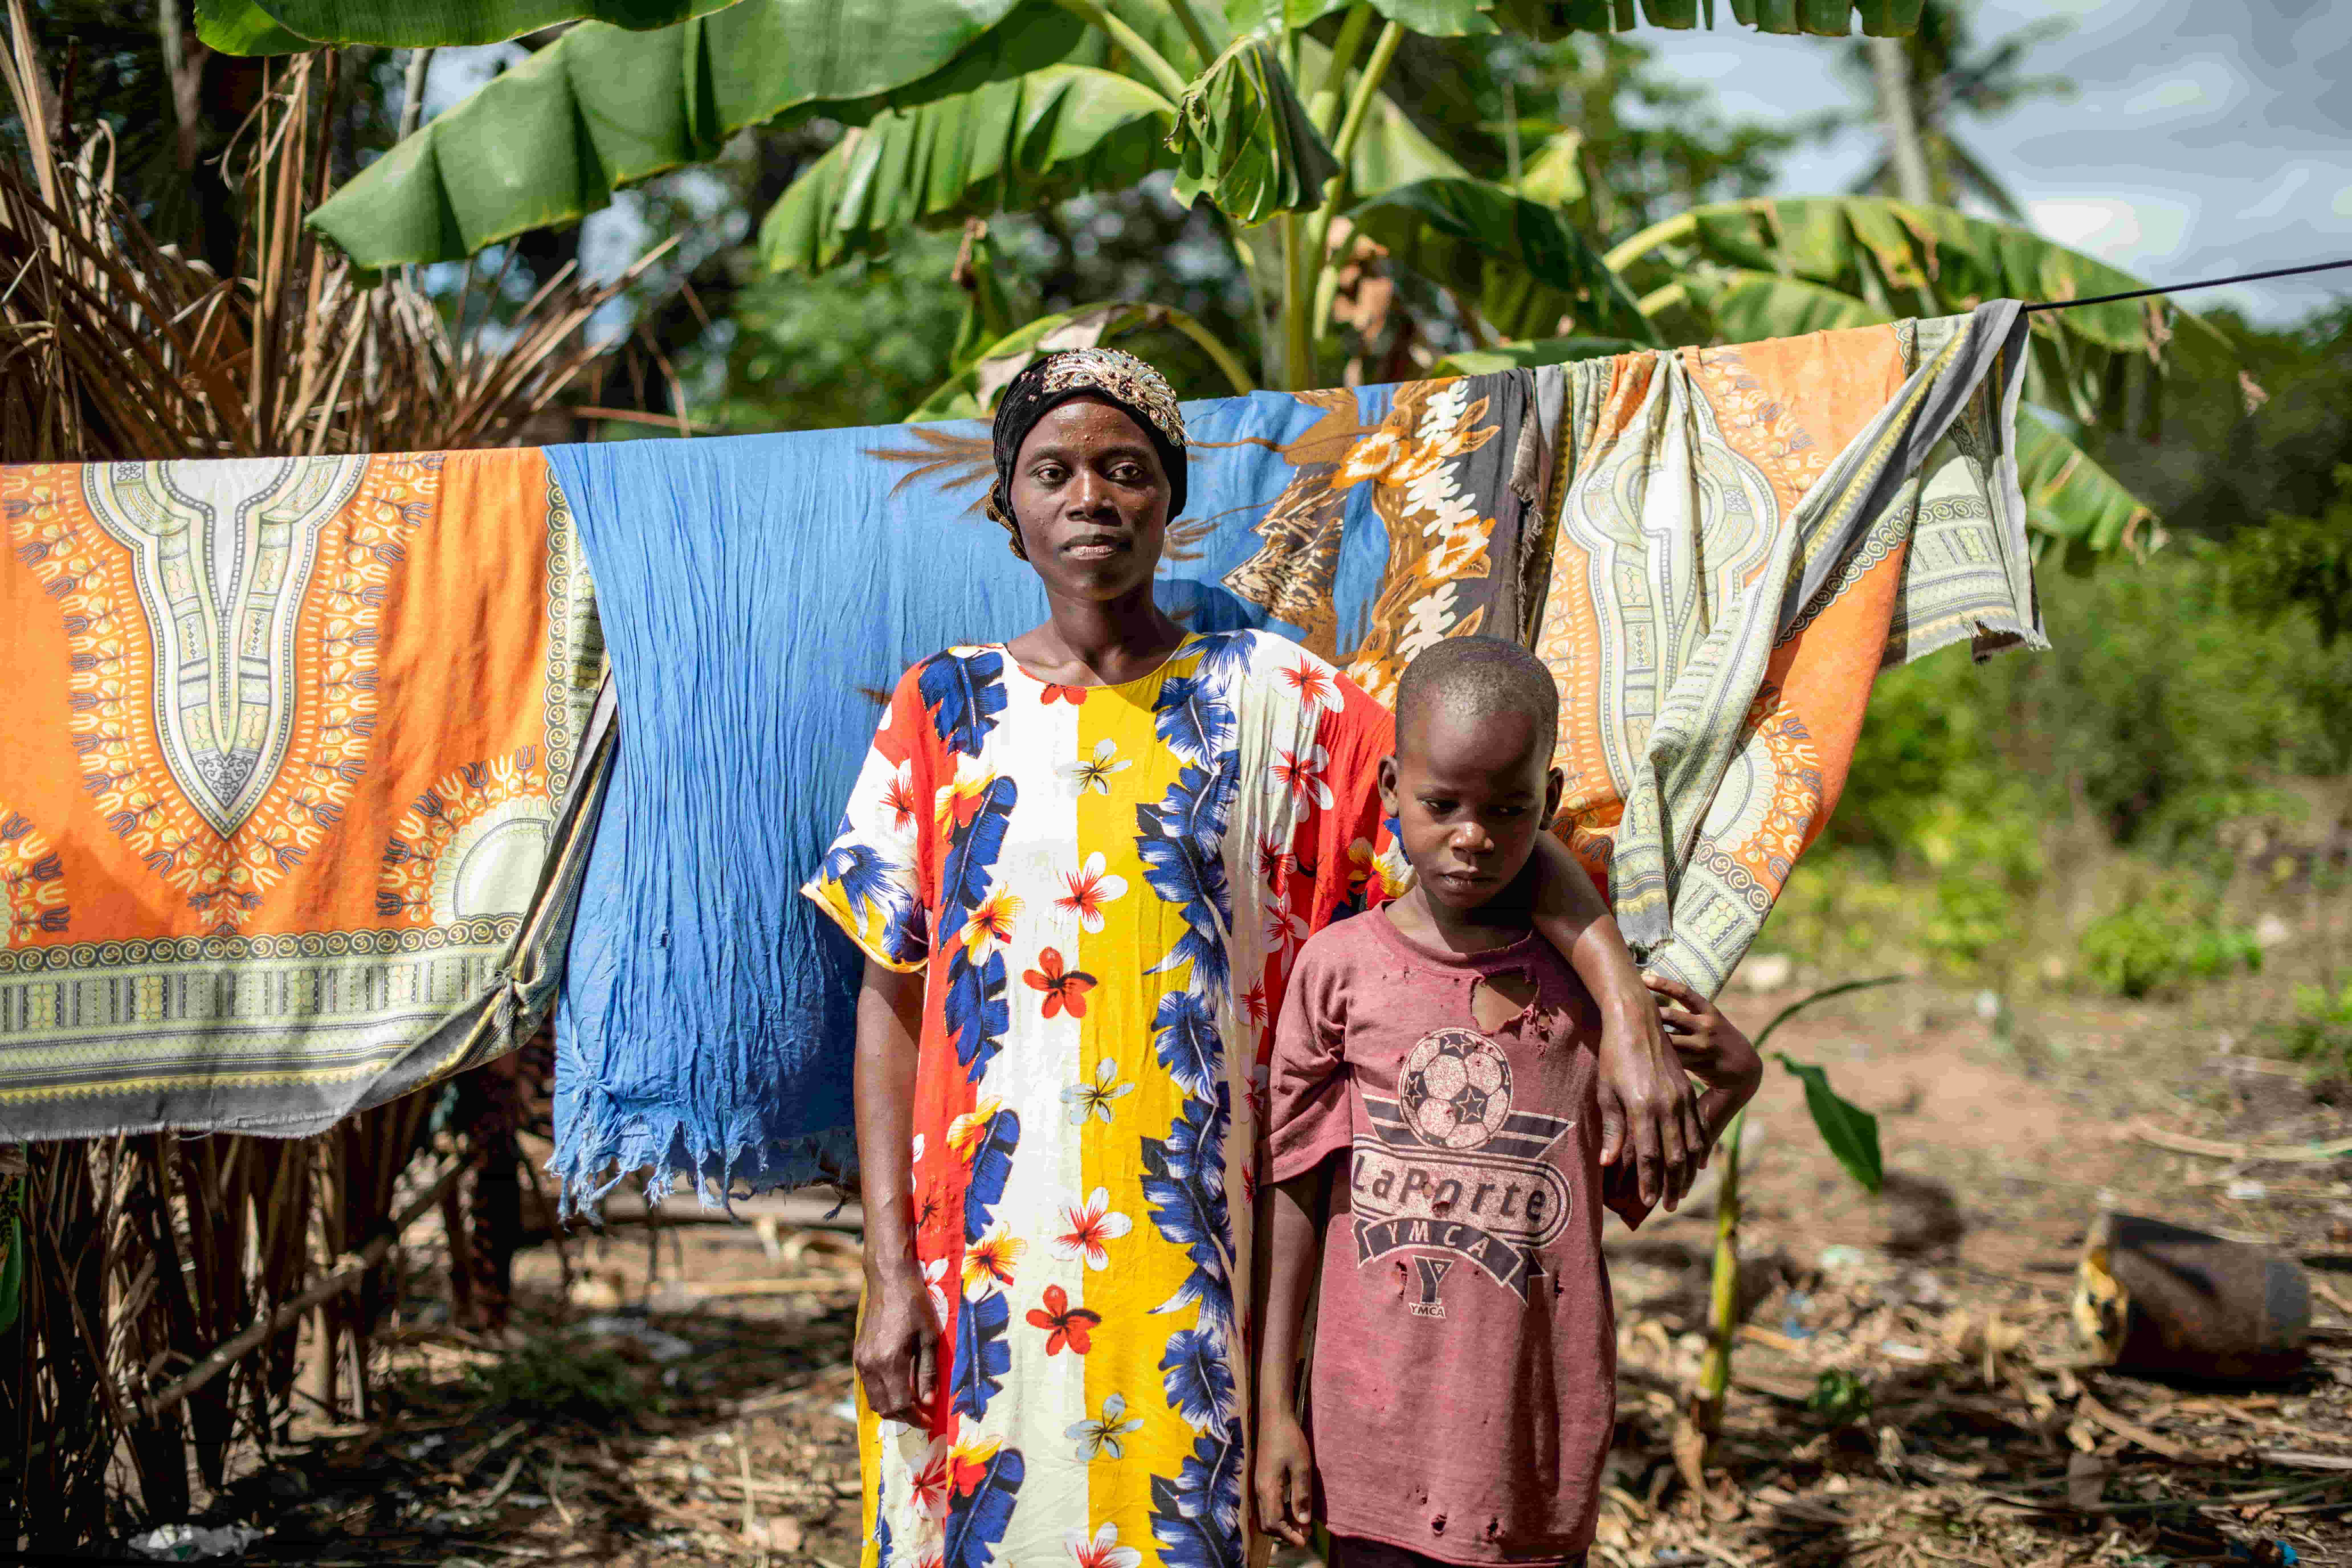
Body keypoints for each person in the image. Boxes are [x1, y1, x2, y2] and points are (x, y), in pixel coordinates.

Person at [802, 350, 1703, 1568]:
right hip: (987, 1262)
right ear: (1007, 508)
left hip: (1206, 1267)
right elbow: (890, 1003)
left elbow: (1482, 823)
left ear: (1169, 503)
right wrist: (889, 1271)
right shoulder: (942, 709)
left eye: (1127, 471)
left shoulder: (1279, 701)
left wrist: (1629, 1016)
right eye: (1053, 470)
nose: (1091, 498)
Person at [1252, 637, 1763, 1568]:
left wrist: (1729, 1083)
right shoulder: (1340, 972)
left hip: (1528, 1443)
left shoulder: (1580, 1000)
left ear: (1552, 802)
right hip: (1366, 1438)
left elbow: (1622, 1189)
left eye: (1508, 809)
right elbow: (1293, 1193)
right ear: (1394, 785)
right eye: (1441, 805)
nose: (1473, 836)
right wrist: (1273, 1404)